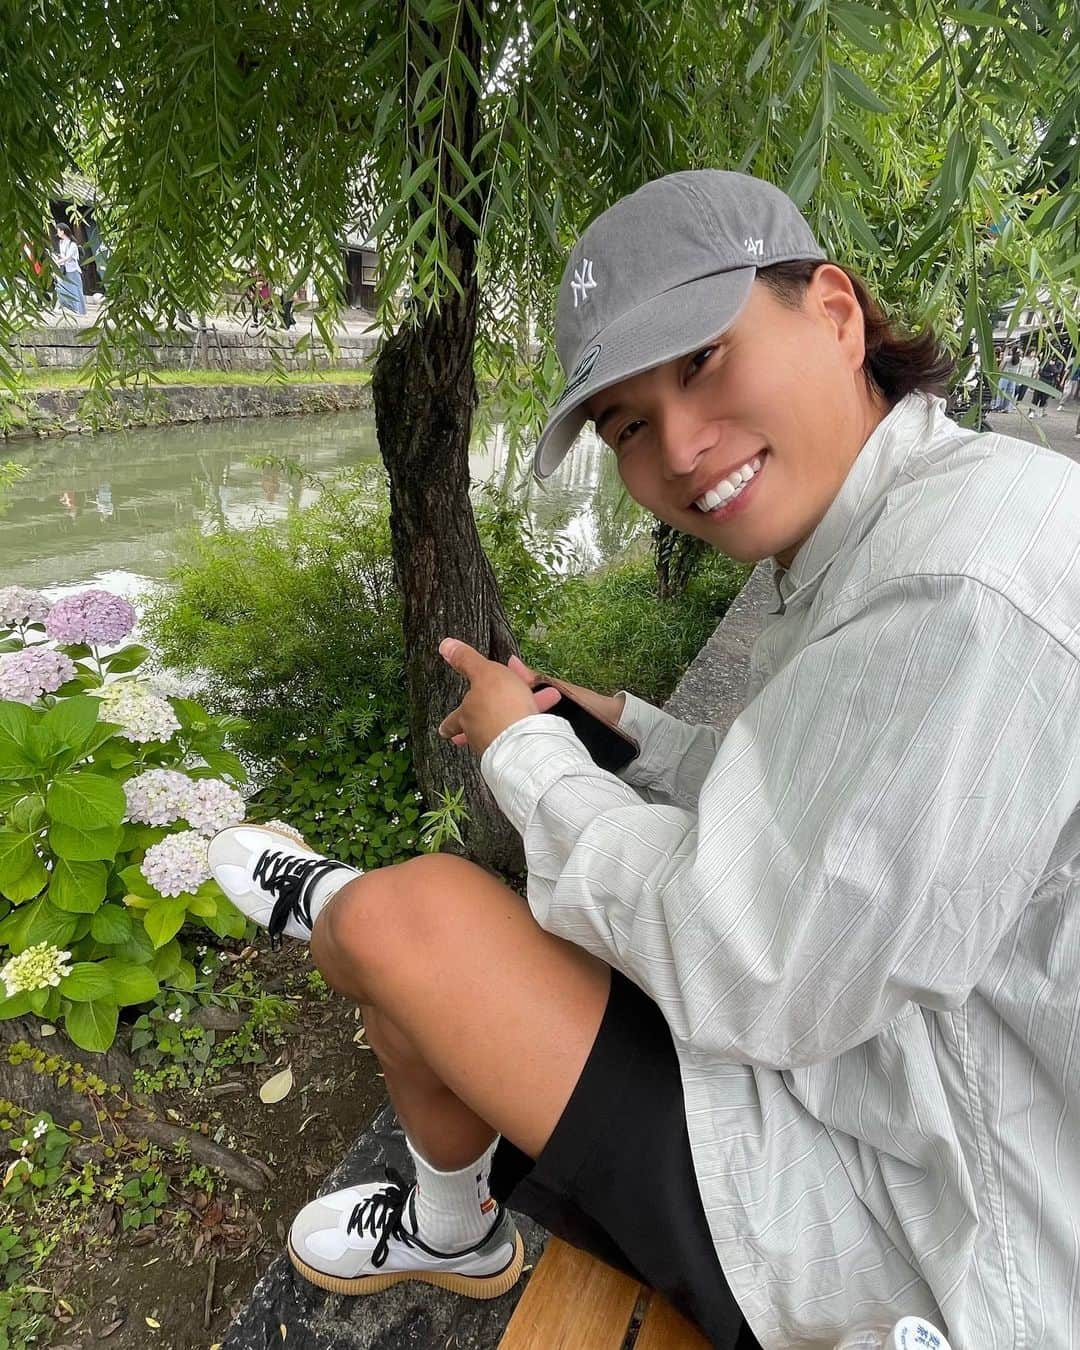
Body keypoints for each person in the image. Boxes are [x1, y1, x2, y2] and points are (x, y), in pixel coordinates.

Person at [207, 171, 1080, 1348]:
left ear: (833, 311)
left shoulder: (960, 584)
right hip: (906, 1095)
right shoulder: (917, 523)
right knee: (399, 938)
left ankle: (331, 925)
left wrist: (526, 757)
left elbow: (754, 960)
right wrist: (643, 736)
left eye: (703, 362)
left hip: (954, 1240)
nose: (677, 445)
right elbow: (842, 811)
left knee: (404, 922)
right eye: (626, 422)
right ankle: (441, 1201)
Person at [50, 223, 86, 315]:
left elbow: (68, 258)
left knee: (76, 289)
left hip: (72, 270)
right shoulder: (61, 243)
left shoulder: (73, 244)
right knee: (62, 287)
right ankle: (62, 306)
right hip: (64, 269)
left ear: (62, 231)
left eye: (58, 231)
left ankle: (79, 309)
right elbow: (63, 256)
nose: (57, 233)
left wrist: (57, 262)